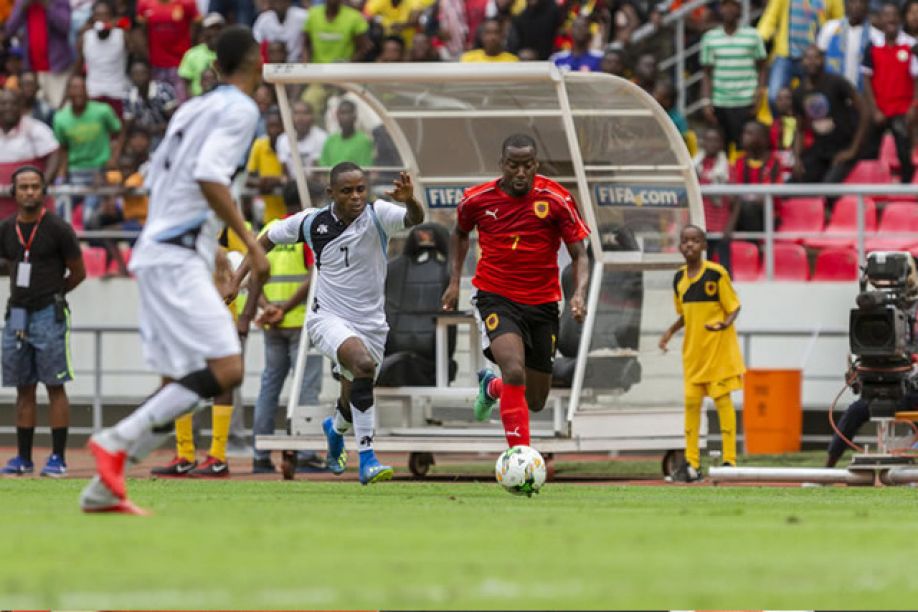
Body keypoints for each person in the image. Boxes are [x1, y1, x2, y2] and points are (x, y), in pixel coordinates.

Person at [79, 25, 270, 514]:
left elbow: (166, 183)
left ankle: (103, 488)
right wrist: (249, 244)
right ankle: (114, 441)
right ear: (257, 62)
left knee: (175, 381)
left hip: (164, 248)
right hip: (176, 254)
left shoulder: (192, 107)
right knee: (227, 368)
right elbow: (207, 176)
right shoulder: (242, 109)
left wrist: (216, 258)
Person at [236, 163, 425, 483]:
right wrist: (236, 281)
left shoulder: (378, 214)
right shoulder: (312, 222)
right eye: (347, 191)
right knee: (362, 365)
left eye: (361, 189)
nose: (356, 196)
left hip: (372, 324)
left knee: (354, 392)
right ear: (331, 194)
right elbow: (265, 238)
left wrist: (410, 201)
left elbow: (415, 220)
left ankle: (335, 429)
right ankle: (368, 460)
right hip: (327, 318)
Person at [440, 134, 590, 449]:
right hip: (496, 295)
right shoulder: (476, 199)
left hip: (543, 302)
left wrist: (579, 293)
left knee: (535, 399)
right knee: (513, 369)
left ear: (536, 164)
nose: (520, 173)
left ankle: (492, 387)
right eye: (513, 165)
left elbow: (580, 255)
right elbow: (459, 234)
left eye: (527, 165)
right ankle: (519, 457)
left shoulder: (556, 199)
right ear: (502, 165)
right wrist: (455, 281)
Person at [0, 166, 86, 476]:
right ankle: (23, 458)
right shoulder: (7, 228)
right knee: (23, 387)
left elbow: (79, 272)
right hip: (17, 314)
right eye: (23, 187)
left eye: (35, 186)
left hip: (49, 313)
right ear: (14, 192)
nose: (29, 192)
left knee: (55, 385)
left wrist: (55, 293)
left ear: (44, 190)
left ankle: (58, 458)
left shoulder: (59, 229)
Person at [149, 246, 247, 477]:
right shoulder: (177, 234)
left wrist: (247, 312)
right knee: (183, 380)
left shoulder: (220, 227)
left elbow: (245, 261)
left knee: (220, 382)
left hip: (219, 317)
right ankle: (185, 454)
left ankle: (218, 455)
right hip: (187, 319)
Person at [658, 225, 744, 483]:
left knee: (723, 405)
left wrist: (724, 324)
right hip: (693, 356)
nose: (689, 246)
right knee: (692, 408)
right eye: (685, 241)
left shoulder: (716, 275)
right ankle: (692, 464)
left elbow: (734, 307)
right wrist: (669, 333)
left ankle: (729, 461)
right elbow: (685, 314)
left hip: (718, 353)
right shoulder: (679, 279)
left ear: (704, 245)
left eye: (695, 241)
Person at [251, 183, 325, 474]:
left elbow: (254, 273)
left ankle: (259, 455)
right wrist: (285, 308)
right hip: (299, 322)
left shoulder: (269, 228)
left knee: (269, 387)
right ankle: (306, 452)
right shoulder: (307, 229)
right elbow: (312, 276)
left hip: (272, 322)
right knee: (306, 389)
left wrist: (268, 307)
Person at [792, 45, 869, 184]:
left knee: (829, 187)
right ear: (802, 62)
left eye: (816, 57)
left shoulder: (837, 82)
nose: (812, 62)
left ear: (823, 60)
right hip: (820, 150)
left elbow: (864, 112)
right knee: (794, 182)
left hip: (844, 148)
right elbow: (800, 129)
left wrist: (852, 150)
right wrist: (797, 159)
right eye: (808, 58)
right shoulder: (798, 92)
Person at [699, 0, 767, 156]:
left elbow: (762, 67)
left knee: (745, 146)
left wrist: (759, 95)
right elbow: (706, 73)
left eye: (733, 5)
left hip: (746, 101)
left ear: (740, 9)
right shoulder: (710, 38)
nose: (729, 9)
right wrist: (705, 101)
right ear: (720, 9)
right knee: (721, 149)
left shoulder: (753, 35)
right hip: (720, 101)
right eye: (725, 5)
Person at [861, 2, 918, 184]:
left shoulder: (911, 46)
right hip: (879, 110)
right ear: (880, 20)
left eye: (894, 15)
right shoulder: (872, 46)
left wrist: (913, 107)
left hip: (902, 110)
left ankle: (906, 191)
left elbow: (917, 79)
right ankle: (871, 193)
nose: (890, 19)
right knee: (868, 153)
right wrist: (874, 109)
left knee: (904, 153)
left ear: (900, 19)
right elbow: (866, 79)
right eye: (886, 15)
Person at [52, 76, 122, 220]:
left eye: (81, 88)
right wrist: (62, 173)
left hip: (99, 172)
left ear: (87, 91)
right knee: (60, 212)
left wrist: (114, 157)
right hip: (74, 172)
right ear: (68, 93)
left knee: (89, 216)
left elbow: (119, 132)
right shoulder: (60, 118)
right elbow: (63, 148)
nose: (78, 92)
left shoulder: (103, 111)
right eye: (74, 88)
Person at [757, 0, 844, 107]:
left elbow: (839, 22)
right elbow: (770, 17)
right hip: (786, 55)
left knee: (814, 99)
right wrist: (758, 40)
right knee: (774, 97)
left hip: (814, 59)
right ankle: (779, 123)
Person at [0, 90, 60, 221]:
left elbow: (54, 155)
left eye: (13, 104)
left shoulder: (34, 128)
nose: (8, 108)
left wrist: (42, 184)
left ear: (20, 106)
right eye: (3, 104)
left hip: (32, 210)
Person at [5, 0, 74, 108]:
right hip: (32, 71)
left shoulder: (59, 1)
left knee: (58, 108)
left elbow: (65, 26)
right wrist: (23, 6)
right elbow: (9, 30)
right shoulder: (22, 2)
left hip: (57, 69)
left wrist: (46, 5)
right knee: (37, 113)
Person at [136, 0, 201, 99]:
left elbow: (197, 25)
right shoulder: (145, 3)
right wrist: (147, 55)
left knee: (181, 103)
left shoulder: (187, 3)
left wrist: (189, 50)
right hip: (156, 64)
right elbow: (141, 31)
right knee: (160, 102)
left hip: (180, 64)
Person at [75, 0, 130, 117]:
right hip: (93, 93)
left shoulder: (122, 35)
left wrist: (119, 24)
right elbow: (77, 67)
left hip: (117, 92)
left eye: (106, 15)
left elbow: (136, 50)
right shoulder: (85, 37)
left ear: (111, 16)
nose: (102, 18)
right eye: (99, 15)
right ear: (93, 17)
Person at [692, 127, 731, 273]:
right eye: (708, 140)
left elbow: (735, 198)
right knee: (702, 264)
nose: (711, 143)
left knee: (723, 265)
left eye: (715, 140)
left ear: (721, 144)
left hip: (720, 223)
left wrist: (730, 226)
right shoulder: (693, 166)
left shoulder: (727, 167)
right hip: (700, 222)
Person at [817, 0, 879, 91]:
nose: (857, 6)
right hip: (833, 94)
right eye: (852, 1)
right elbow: (820, 61)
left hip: (862, 95)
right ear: (845, 4)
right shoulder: (830, 28)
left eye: (861, 2)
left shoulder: (875, 37)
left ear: (867, 5)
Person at [121, 59, 179, 151]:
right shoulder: (129, 95)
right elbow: (128, 125)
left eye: (142, 73)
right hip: (145, 136)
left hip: (166, 134)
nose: (138, 77)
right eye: (135, 74)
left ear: (149, 75)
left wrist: (157, 128)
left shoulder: (163, 91)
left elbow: (176, 120)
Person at [246, 106, 287, 224]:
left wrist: (278, 180)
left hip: (290, 214)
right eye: (270, 126)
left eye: (277, 126)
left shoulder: (290, 146)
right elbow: (249, 179)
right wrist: (262, 182)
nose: (273, 130)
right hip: (268, 216)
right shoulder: (260, 144)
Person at [276, 101, 327, 177]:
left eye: (305, 113)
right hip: (291, 184)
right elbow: (285, 172)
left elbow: (317, 171)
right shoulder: (282, 140)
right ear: (291, 116)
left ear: (313, 116)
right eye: (296, 113)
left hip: (314, 185)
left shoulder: (322, 138)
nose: (301, 118)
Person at [178, 13, 224, 98]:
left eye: (218, 28)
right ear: (204, 31)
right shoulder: (192, 54)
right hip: (198, 101)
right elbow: (186, 84)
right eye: (211, 28)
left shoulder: (228, 54)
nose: (215, 32)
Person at [319, 99, 375, 169]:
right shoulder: (330, 140)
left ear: (355, 116)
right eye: (342, 113)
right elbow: (323, 168)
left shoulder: (363, 141)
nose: (345, 117)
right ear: (337, 116)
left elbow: (365, 170)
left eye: (349, 113)